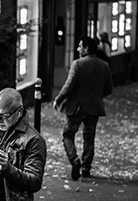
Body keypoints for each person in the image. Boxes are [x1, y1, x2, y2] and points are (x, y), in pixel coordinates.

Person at [53, 36, 113, 180]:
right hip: (94, 107)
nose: (77, 49)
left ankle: (74, 159)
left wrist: (58, 99)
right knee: (89, 137)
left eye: (80, 46)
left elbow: (68, 86)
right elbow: (109, 89)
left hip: (77, 108)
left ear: (86, 49)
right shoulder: (104, 65)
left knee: (68, 135)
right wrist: (96, 95)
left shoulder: (78, 64)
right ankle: (86, 168)